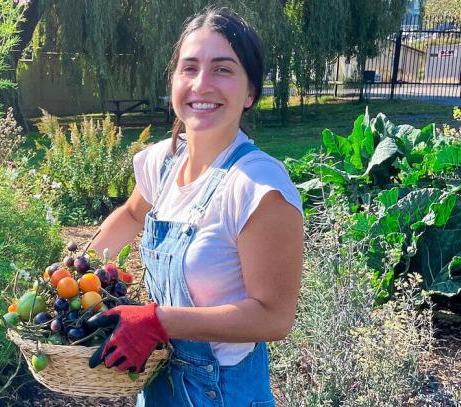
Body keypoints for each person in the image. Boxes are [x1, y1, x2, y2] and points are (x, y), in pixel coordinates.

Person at [86, 8, 304, 406]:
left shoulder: (258, 187)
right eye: (189, 68)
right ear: (173, 81)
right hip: (158, 381)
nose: (201, 84)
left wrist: (158, 321)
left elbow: (274, 317)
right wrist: (74, 269)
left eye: (223, 69)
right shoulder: (162, 162)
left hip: (222, 393)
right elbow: (134, 214)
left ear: (250, 91)